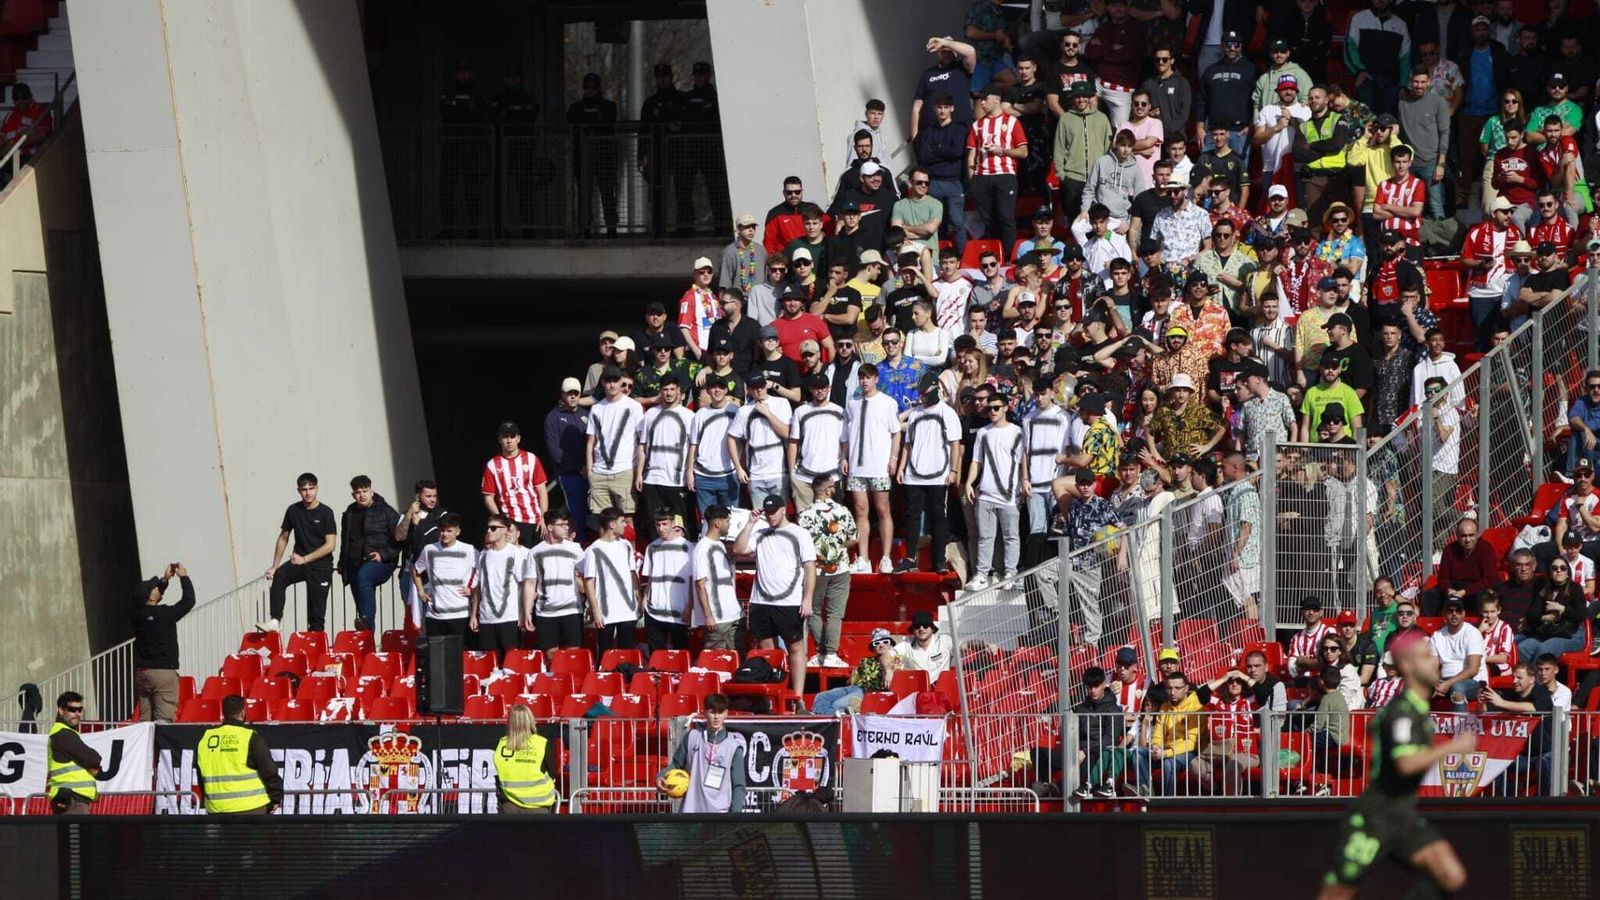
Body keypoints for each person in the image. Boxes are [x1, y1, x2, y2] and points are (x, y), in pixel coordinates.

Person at [1319, 630, 1473, 899]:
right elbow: (1404, 763)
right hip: (1375, 817)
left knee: (1451, 875)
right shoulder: (1403, 711)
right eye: (1426, 656)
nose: (1435, 661)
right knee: (1336, 894)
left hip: (1403, 816)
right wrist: (1454, 746)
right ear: (1408, 665)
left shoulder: (1413, 709)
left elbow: (1374, 728)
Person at [733, 495, 818, 696]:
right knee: (766, 650)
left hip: (789, 602)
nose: (770, 516)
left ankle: (797, 696)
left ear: (783, 510)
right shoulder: (760, 533)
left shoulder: (800, 533)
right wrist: (750, 524)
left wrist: (807, 599)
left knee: (796, 647)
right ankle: (771, 694)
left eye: (774, 512)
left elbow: (810, 568)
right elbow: (738, 549)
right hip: (761, 601)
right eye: (767, 512)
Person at [259, 472, 337, 634]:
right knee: (280, 576)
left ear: (317, 489)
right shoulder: (293, 510)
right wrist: (274, 566)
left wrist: (305, 559)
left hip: (320, 566)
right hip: (299, 561)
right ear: (298, 491)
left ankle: (315, 647)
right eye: (304, 489)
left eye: (311, 488)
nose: (308, 493)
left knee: (316, 616)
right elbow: (283, 537)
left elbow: (330, 545)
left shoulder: (326, 512)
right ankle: (275, 621)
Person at [843, 364, 903, 574]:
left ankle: (886, 558)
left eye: (868, 377)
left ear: (876, 378)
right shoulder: (852, 403)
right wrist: (843, 457)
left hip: (878, 465)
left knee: (883, 510)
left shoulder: (887, 403)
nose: (864, 381)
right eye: (861, 378)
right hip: (857, 467)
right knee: (860, 510)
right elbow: (845, 435)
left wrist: (893, 458)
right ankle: (863, 558)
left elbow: (896, 432)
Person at [900, 383, 964, 574]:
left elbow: (955, 444)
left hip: (938, 474)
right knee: (912, 516)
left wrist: (953, 470)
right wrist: (902, 467)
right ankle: (910, 558)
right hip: (915, 474)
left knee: (938, 517)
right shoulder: (916, 413)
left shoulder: (947, 412)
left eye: (925, 392)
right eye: (920, 393)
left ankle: (939, 560)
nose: (921, 397)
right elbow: (908, 444)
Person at [965, 389, 1024, 589]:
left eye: (997, 408)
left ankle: (1010, 573)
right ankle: (982, 574)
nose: (992, 412)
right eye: (990, 408)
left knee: (1011, 536)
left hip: (1009, 494)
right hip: (986, 493)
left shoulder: (1016, 431)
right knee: (985, 536)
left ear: (1006, 408)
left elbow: (1023, 460)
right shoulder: (983, 433)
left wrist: (1024, 481)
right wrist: (969, 483)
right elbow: (976, 461)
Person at [798, 474, 857, 668]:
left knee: (813, 612)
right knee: (834, 614)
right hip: (839, 568)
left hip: (815, 569)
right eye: (833, 486)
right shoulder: (842, 511)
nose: (835, 489)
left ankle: (820, 653)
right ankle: (830, 654)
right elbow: (854, 538)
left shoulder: (805, 513)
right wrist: (838, 548)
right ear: (826, 489)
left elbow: (800, 543)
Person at [333, 475, 402, 634]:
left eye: (365, 491)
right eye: (358, 492)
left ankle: (366, 620)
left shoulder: (386, 510)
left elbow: (401, 538)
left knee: (364, 577)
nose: (362, 495)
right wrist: (342, 563)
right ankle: (368, 642)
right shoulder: (350, 512)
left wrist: (384, 555)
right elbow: (346, 540)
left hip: (380, 563)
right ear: (353, 495)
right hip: (354, 564)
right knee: (362, 606)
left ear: (372, 491)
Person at [658, 693, 748, 814]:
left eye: (720, 712)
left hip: (719, 815)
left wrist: (733, 816)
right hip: (691, 811)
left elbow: (739, 786)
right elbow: (676, 764)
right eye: (712, 712)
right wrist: (660, 776)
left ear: (726, 713)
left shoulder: (734, 746)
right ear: (704, 712)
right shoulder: (692, 737)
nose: (716, 717)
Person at [966, 82, 1028, 253]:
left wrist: (1003, 151)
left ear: (996, 100)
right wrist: (973, 180)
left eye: (985, 100)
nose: (982, 104)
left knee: (1006, 218)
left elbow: (1023, 152)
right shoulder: (977, 125)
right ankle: (993, 256)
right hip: (981, 177)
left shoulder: (1012, 122)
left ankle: (1009, 257)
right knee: (988, 221)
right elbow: (971, 155)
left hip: (1004, 175)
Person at [196, 695, 282, 815]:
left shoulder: (205, 738)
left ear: (223, 713)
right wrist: (275, 799)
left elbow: (201, 776)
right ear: (242, 713)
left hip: (217, 811)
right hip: (251, 809)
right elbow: (269, 770)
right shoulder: (250, 736)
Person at [131, 563, 194, 722]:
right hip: (162, 673)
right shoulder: (165, 614)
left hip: (142, 673)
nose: (158, 589)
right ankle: (159, 747)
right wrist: (184, 578)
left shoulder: (136, 615)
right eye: (155, 588)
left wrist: (165, 580)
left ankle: (144, 747)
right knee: (163, 722)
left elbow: (151, 598)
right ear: (151, 596)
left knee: (144, 722)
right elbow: (188, 601)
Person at [1482, 661, 1556, 795]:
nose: (1514, 681)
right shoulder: (1511, 694)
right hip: (1520, 754)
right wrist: (1483, 702)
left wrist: (1503, 703)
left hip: (1544, 752)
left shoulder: (1541, 692)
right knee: (1497, 764)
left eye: (1519, 678)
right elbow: (1487, 710)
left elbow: (1534, 708)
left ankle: (1545, 804)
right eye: (1514, 677)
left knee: (1545, 763)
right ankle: (1507, 802)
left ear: (1532, 679)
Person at [586, 366, 644, 536]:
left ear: (620, 382)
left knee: (627, 520)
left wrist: (638, 471)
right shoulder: (597, 408)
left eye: (615, 381)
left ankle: (631, 558)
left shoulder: (634, 406)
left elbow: (642, 441)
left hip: (624, 470)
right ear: (602, 383)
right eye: (608, 381)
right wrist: (590, 471)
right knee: (603, 522)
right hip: (599, 472)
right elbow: (590, 442)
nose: (611, 385)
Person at [519, 509, 584, 652]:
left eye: (567, 524)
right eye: (562, 525)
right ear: (549, 527)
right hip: (546, 611)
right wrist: (527, 611)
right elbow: (530, 583)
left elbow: (587, 576)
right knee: (550, 655)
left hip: (572, 609)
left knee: (573, 653)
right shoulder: (535, 552)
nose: (566, 527)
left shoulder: (575, 548)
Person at [730, 372, 794, 511]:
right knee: (760, 520)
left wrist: (768, 413)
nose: (759, 390)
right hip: (756, 474)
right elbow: (731, 438)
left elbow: (787, 433)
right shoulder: (744, 411)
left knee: (780, 517)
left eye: (761, 386)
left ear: (766, 385)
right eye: (754, 387)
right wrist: (738, 468)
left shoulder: (781, 403)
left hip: (779, 473)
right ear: (749, 389)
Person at [1131, 669, 1201, 796]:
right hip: (1166, 751)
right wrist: (1155, 747)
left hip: (1189, 753)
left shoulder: (1196, 708)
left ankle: (1168, 801)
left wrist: (1166, 753)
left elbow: (1192, 743)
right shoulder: (1164, 707)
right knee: (1138, 752)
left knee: (1169, 763)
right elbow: (1158, 734)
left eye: (1177, 688)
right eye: (1169, 688)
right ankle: (1146, 792)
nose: (1172, 692)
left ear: (1186, 688)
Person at [580, 507, 639, 657]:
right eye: (622, 521)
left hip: (628, 610)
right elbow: (589, 582)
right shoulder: (594, 549)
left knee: (627, 655)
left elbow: (633, 574)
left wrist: (638, 598)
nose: (625, 525)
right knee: (606, 655)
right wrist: (595, 610)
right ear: (612, 525)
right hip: (606, 612)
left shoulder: (625, 545)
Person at [567, 73, 619, 237]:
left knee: (607, 193)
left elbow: (606, 123)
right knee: (584, 194)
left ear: (599, 89)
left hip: (604, 157)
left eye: (593, 88)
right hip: (583, 157)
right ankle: (585, 227)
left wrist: (590, 124)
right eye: (587, 88)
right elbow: (573, 124)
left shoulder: (608, 106)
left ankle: (611, 227)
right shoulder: (575, 108)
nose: (590, 91)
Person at [1052, 81, 1112, 225]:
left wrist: (1104, 171)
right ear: (1073, 98)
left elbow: (1108, 147)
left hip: (1096, 178)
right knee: (1075, 222)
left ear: (1090, 97)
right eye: (1077, 97)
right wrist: (1062, 175)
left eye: (1084, 96)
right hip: (1073, 178)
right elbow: (1059, 148)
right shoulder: (1065, 119)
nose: (1081, 100)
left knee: (1097, 221)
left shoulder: (1102, 118)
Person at [1397, 67, 1452, 220]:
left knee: (1436, 206)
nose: (1419, 85)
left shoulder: (1439, 102)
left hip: (1430, 163)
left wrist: (1440, 164)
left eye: (1423, 82)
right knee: (1409, 207)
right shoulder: (1402, 104)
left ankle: (1439, 241)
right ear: (1410, 82)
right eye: (1416, 81)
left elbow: (1444, 133)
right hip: (1408, 164)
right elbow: (1399, 133)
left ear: (1429, 82)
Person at [1420, 518, 1502, 615]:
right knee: (1430, 595)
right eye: (1464, 536)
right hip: (1454, 587)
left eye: (1471, 535)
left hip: (1477, 588)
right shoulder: (1449, 550)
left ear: (1477, 534)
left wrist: (1464, 592)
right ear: (1457, 536)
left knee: (1483, 597)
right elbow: (1443, 578)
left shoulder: (1486, 549)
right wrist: (1449, 590)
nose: (1468, 540)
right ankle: (1426, 626)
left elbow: (1489, 579)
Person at [638, 510, 693, 652]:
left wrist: (690, 605)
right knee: (656, 656)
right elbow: (651, 576)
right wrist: (645, 598)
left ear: (673, 524)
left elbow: (693, 579)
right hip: (654, 610)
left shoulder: (688, 548)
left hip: (679, 610)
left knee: (680, 654)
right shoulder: (652, 547)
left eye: (664, 524)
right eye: (658, 524)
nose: (661, 528)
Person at [813, 628, 902, 715]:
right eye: (877, 643)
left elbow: (886, 658)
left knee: (838, 704)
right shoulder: (865, 661)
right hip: (855, 688)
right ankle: (818, 718)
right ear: (873, 647)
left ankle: (827, 723)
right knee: (821, 697)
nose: (882, 645)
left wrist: (887, 669)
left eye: (886, 642)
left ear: (891, 645)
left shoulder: (895, 659)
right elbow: (853, 680)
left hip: (870, 693)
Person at [690, 506, 743, 651]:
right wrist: (708, 616)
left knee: (738, 657)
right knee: (717, 661)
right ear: (717, 523)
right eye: (727, 520)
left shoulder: (720, 545)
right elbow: (700, 584)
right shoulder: (701, 549)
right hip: (717, 619)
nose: (729, 524)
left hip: (733, 614)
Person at [1516, 556, 1587, 659]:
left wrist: (1562, 608)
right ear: (1550, 572)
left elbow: (1582, 615)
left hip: (1572, 635)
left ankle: (1536, 674)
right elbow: (1531, 614)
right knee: (1523, 648)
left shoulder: (1575, 589)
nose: (1558, 571)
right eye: (1554, 568)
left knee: (1546, 648)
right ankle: (1527, 674)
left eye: (1563, 568)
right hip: (1548, 632)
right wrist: (1546, 618)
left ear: (1568, 573)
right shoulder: (1545, 589)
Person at [47, 692, 106, 815]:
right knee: (78, 834)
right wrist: (94, 761)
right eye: (72, 710)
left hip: (71, 798)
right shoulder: (63, 734)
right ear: (61, 710)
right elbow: (93, 758)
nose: (77, 714)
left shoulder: (65, 733)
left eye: (80, 709)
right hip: (72, 799)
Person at [1427, 596, 1487, 711]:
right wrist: (1435, 684)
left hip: (1473, 682)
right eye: (1450, 610)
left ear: (1463, 614)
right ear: (1444, 614)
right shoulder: (1437, 636)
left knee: (1457, 689)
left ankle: (1461, 727)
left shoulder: (1472, 633)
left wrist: (1447, 684)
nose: (1454, 614)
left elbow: (1473, 670)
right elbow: (1432, 668)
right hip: (1445, 680)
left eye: (1458, 610)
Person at [718, 214, 768, 298]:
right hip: (738, 301)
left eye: (753, 227)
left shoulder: (761, 250)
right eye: (747, 227)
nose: (751, 230)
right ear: (738, 230)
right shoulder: (729, 252)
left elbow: (768, 278)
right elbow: (724, 284)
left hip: (760, 299)